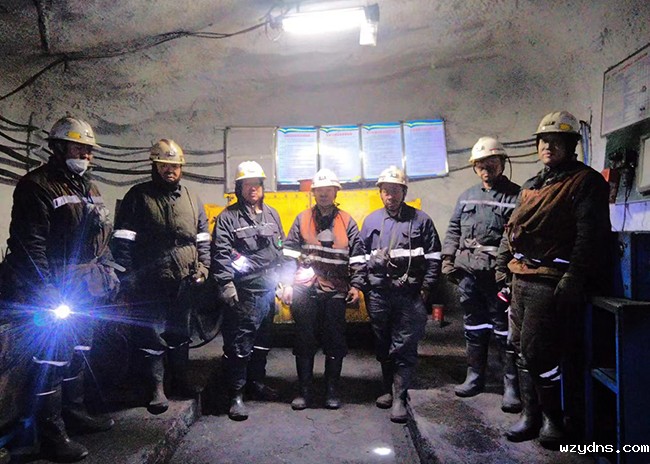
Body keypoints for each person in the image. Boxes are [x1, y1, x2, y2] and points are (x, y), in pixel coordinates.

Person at [0, 115, 117, 462]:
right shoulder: (36, 186)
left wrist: (109, 271)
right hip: (54, 287)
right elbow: (29, 245)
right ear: (58, 147)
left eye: (89, 150)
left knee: (79, 349)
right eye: (79, 148)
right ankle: (51, 435)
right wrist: (47, 291)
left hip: (83, 286)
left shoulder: (89, 188)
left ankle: (74, 413)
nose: (86, 155)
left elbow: (101, 236)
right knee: (50, 358)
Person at [497, 111, 611, 448]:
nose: (548, 146)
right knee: (519, 348)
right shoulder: (532, 185)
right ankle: (530, 415)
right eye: (544, 141)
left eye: (557, 141)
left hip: (550, 279)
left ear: (571, 145)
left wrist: (574, 277)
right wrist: (502, 266)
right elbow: (512, 229)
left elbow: (589, 235)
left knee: (538, 353)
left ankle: (553, 420)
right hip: (521, 276)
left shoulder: (586, 182)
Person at [111, 139, 211, 416]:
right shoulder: (138, 196)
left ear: (181, 168)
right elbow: (123, 239)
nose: (170, 170)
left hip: (184, 280)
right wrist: (128, 275)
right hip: (150, 281)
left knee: (180, 333)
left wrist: (204, 267)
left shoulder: (191, 198)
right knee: (151, 335)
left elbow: (203, 237)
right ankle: (156, 388)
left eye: (175, 165)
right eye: (165, 164)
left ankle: (179, 380)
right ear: (154, 165)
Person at [441, 137, 522, 413]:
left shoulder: (516, 196)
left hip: (498, 276)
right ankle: (475, 376)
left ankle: (510, 385)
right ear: (475, 168)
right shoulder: (467, 196)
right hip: (468, 273)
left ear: (502, 163)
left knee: (504, 330)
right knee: (474, 327)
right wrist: (448, 259)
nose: (486, 169)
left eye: (491, 163)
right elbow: (454, 229)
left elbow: (517, 236)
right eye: (480, 165)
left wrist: (505, 270)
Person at [360, 166, 442, 423]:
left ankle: (400, 397)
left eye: (395, 190)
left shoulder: (421, 220)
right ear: (380, 193)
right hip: (379, 293)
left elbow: (434, 257)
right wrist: (367, 279)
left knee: (404, 345)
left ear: (404, 192)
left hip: (409, 293)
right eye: (386, 191)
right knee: (382, 342)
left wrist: (426, 287)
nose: (390, 196)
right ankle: (388, 388)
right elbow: (359, 257)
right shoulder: (371, 221)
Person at [281, 168, 365, 411]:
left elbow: (358, 257)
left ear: (335, 192)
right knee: (304, 339)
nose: (324, 194)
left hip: (335, 288)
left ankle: (331, 391)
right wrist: (287, 283)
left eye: (328, 190)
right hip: (305, 287)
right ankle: (304, 391)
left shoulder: (347, 221)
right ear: (314, 193)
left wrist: (356, 285)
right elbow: (289, 254)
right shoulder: (302, 219)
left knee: (335, 340)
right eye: (319, 190)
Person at [210, 161, 285, 421]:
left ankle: (257, 383)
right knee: (240, 345)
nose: (253, 189)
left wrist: (282, 280)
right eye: (247, 184)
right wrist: (226, 284)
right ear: (239, 188)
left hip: (268, 289)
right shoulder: (228, 218)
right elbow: (221, 254)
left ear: (263, 187)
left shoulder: (272, 214)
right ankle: (236, 395)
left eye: (257, 184)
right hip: (244, 293)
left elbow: (280, 249)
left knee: (263, 342)